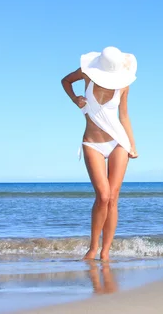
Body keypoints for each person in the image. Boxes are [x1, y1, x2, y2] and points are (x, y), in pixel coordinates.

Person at [61, 46, 138, 261]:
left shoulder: (124, 85)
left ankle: (105, 253)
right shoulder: (86, 74)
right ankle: (92, 248)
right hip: (92, 143)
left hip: (118, 142)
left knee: (113, 199)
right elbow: (65, 81)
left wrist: (132, 145)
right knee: (102, 196)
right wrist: (75, 99)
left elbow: (124, 115)